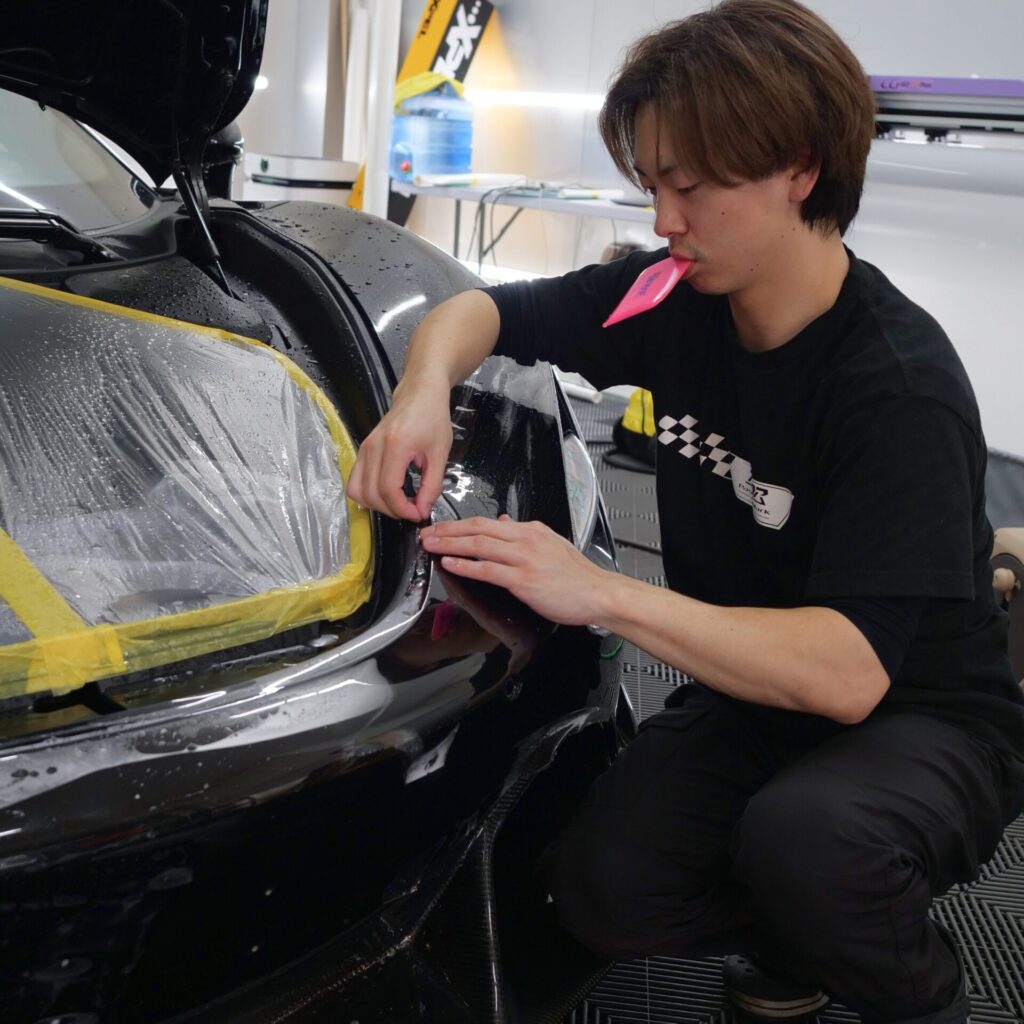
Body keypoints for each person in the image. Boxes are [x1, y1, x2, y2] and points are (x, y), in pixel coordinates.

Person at [348, 1, 1024, 1019]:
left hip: (923, 717)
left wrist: (599, 592)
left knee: (813, 843)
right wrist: (421, 393)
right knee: (596, 888)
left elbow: (847, 676)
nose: (664, 220)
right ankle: (803, 938)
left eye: (692, 187)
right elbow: (481, 307)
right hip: (757, 692)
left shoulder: (897, 388)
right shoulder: (669, 295)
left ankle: (916, 987)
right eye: (654, 186)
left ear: (799, 170)